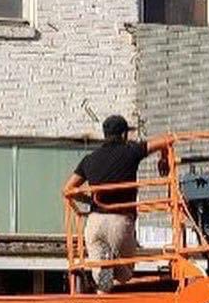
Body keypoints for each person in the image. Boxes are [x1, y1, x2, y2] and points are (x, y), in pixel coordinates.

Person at [63, 115, 171, 293]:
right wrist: (163, 160)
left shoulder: (89, 159)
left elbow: (68, 189)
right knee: (125, 275)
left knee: (101, 275)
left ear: (105, 134)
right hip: (120, 221)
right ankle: (113, 262)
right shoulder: (131, 151)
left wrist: (90, 200)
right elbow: (166, 140)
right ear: (123, 134)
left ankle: (104, 270)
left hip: (95, 221)